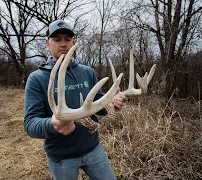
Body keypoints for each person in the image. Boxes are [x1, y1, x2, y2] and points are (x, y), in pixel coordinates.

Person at [24, 19, 126, 180]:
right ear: (47, 43)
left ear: (73, 43)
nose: (63, 44)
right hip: (62, 158)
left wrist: (111, 103)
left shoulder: (87, 72)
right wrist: (52, 124)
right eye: (57, 39)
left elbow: (99, 106)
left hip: (93, 149)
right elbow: (30, 124)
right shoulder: (37, 79)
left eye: (67, 39)